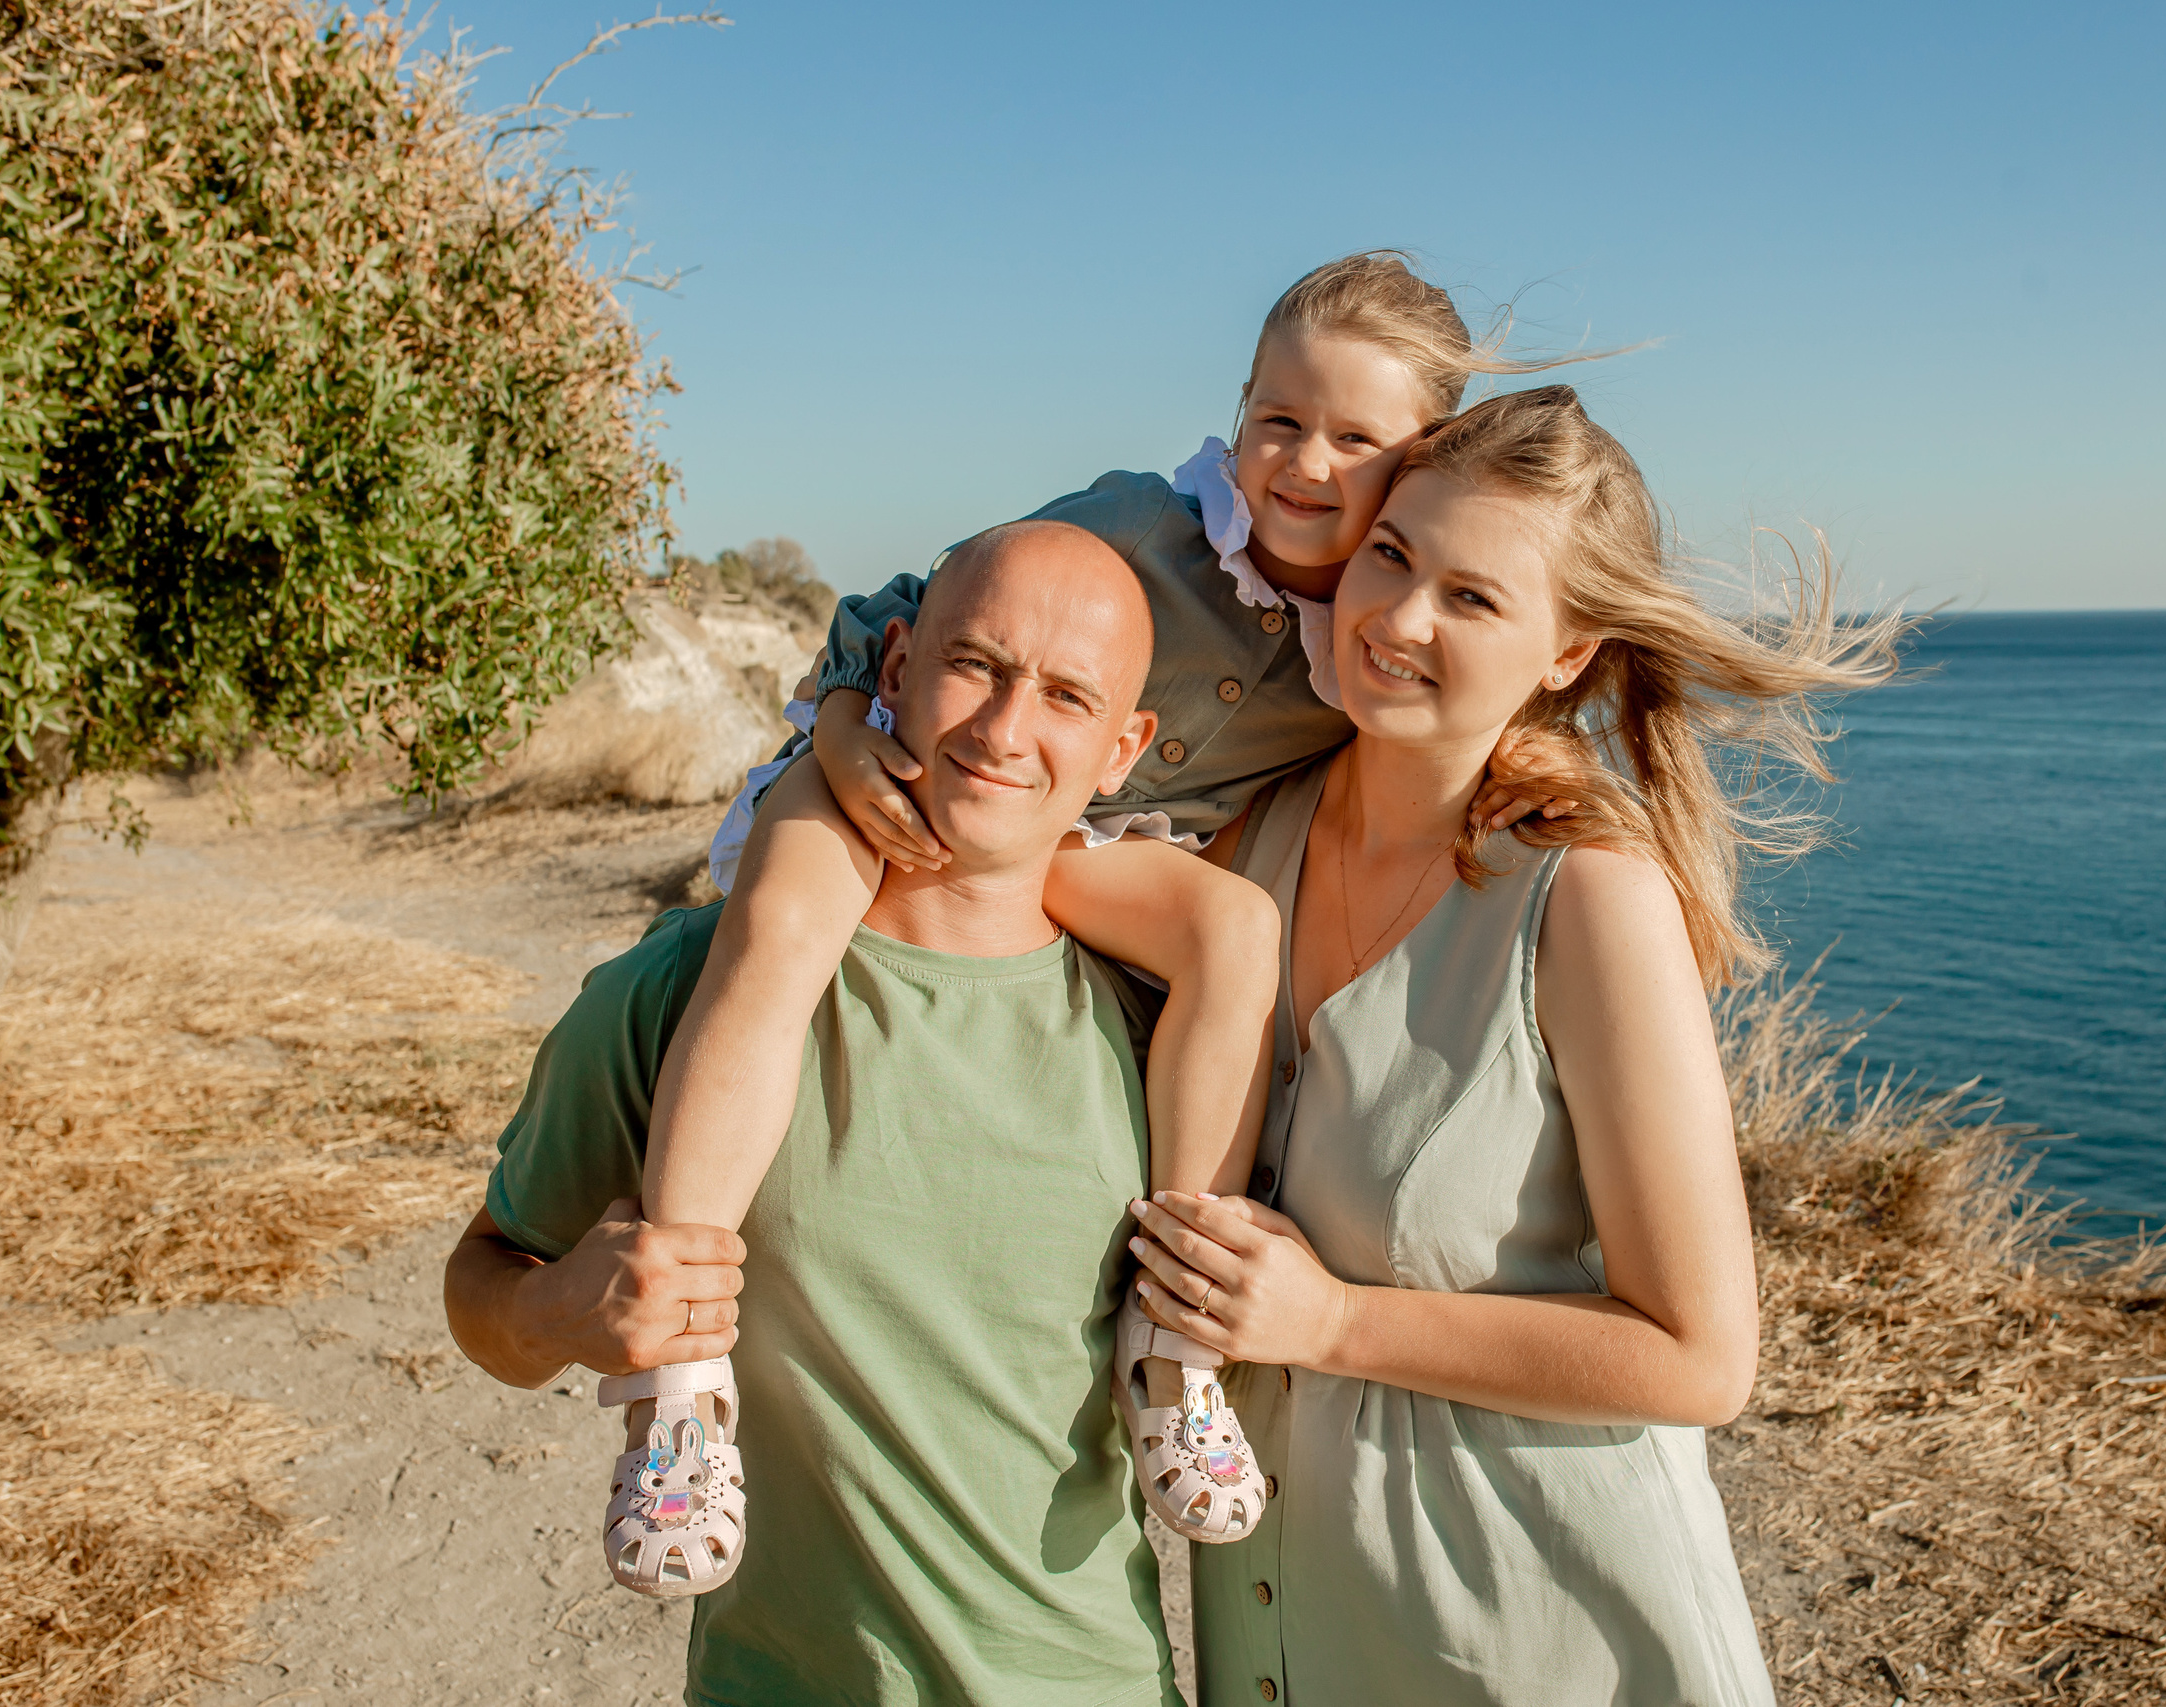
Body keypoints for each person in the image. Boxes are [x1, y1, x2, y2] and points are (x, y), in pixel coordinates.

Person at [629, 253, 1599, 1559]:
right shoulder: (1145, 525)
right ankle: (678, 1374)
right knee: (783, 926)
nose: (1304, 463)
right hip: (918, 767)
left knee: (1231, 931)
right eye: (1278, 419)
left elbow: (1488, 691)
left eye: (1356, 439)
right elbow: (925, 604)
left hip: (1074, 843)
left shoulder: (1365, 640)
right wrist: (850, 729)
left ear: (1417, 456)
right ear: (1239, 407)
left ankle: (1173, 1342)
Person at [1124, 386, 1906, 1704]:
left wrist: (1332, 1320)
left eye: (1475, 598)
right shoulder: (1244, 838)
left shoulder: (1589, 897)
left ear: (1567, 648)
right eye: (1393, 554)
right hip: (1283, 1632)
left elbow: (1700, 1357)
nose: (1402, 617)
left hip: (1547, 1636)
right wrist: (856, 733)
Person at [442, 521, 1184, 1705]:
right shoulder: (686, 988)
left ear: (1122, 749)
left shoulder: (1159, 1034)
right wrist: (550, 1313)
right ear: (893, 669)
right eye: (975, 666)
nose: (1001, 729)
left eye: (1064, 695)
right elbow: (485, 1283)